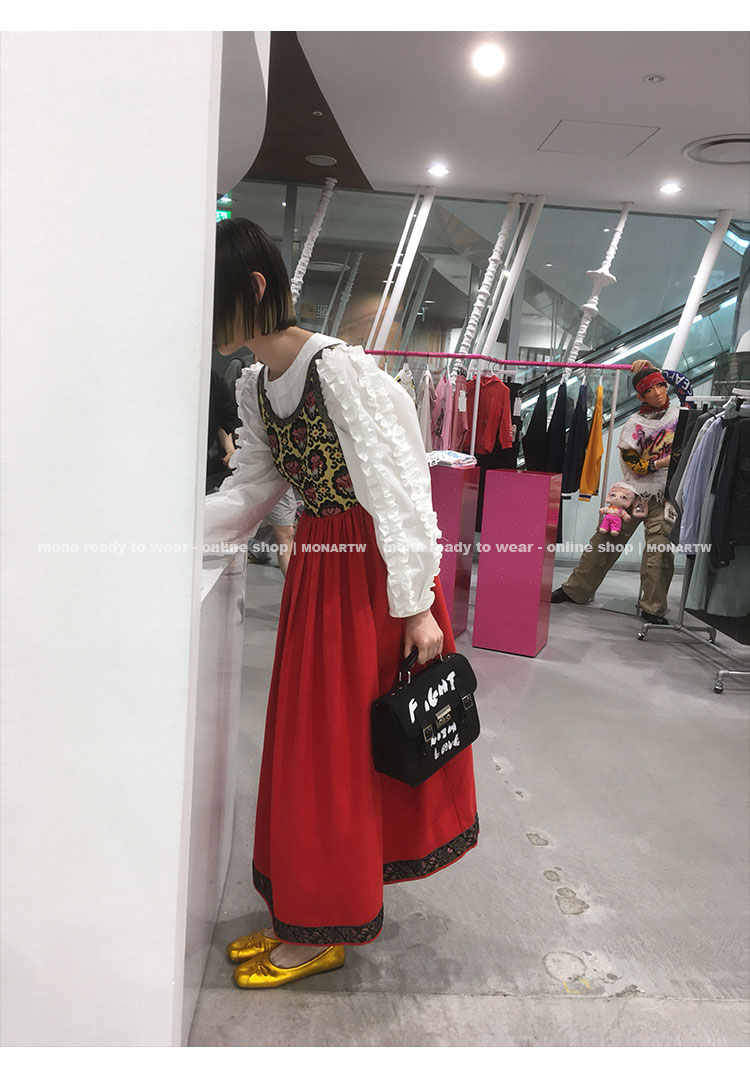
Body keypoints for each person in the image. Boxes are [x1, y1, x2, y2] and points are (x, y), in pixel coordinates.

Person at [204, 219, 478, 989]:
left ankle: (323, 925)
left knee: (338, 759)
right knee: (308, 751)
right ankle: (302, 909)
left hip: (374, 581)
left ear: (253, 288)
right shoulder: (256, 384)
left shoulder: (341, 372)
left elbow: (402, 492)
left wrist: (417, 607)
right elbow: (253, 489)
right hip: (323, 579)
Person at [551, 359, 680, 624]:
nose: (657, 393)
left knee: (659, 552)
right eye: (649, 390)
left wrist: (654, 368)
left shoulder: (681, 415)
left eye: (660, 386)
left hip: (665, 495)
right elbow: (632, 462)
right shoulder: (635, 424)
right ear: (640, 396)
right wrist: (660, 463)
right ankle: (575, 590)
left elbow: (684, 385)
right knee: (604, 542)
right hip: (632, 492)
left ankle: (653, 607)